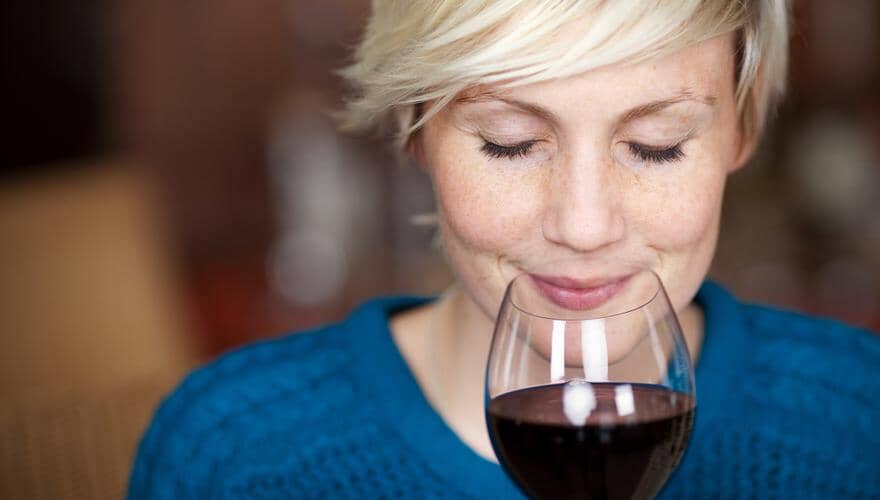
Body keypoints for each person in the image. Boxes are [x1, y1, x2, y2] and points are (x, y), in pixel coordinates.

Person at [128, 1, 880, 498]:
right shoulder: (233, 455)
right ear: (418, 129)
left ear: (739, 132)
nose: (583, 227)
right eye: (509, 143)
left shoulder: (859, 423)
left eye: (656, 147)